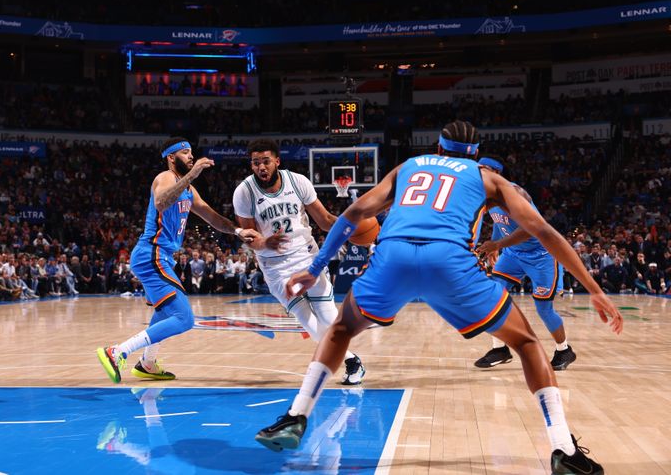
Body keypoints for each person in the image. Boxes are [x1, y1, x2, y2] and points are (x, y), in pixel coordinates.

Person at [255, 121, 623, 475]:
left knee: (340, 329)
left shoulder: (408, 166)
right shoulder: (487, 177)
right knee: (527, 342)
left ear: (438, 148)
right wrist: (594, 289)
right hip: (450, 262)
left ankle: (296, 416)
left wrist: (317, 266)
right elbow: (543, 230)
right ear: (475, 153)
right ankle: (564, 450)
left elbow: (354, 213)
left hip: (393, 255)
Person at [96, 138, 259, 382]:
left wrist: (237, 231)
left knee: (164, 312)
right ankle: (117, 352)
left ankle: (148, 363)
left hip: (159, 256)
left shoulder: (189, 190)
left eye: (192, 152)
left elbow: (212, 218)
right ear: (171, 158)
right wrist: (192, 174)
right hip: (151, 253)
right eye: (185, 153)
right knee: (184, 318)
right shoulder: (165, 177)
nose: (191, 156)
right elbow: (161, 202)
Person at [233, 138, 365, 385]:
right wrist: (263, 243)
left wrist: (352, 227)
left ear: (277, 161)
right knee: (309, 322)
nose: (261, 167)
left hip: (307, 257)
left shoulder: (297, 181)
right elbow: (249, 236)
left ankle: (350, 361)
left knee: (327, 318)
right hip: (275, 268)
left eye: (266, 161)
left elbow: (324, 219)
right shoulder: (244, 192)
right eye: (255, 163)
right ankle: (351, 360)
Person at [473, 157, 576, 371]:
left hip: (542, 254)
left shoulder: (516, 194)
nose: (478, 174)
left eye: (483, 170)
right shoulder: (487, 196)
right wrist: (497, 247)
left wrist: (497, 244)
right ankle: (499, 349)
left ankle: (564, 350)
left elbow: (529, 229)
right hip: (512, 253)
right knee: (492, 297)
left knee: (543, 309)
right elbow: (497, 223)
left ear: (496, 173)